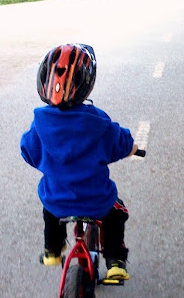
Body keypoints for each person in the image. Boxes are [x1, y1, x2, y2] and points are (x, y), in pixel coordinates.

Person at [20, 43, 138, 285]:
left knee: (49, 207)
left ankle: (52, 250)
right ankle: (115, 262)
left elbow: (28, 151)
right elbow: (121, 143)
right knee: (117, 213)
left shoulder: (40, 123)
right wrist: (132, 149)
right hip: (97, 201)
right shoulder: (98, 122)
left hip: (57, 200)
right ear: (87, 85)